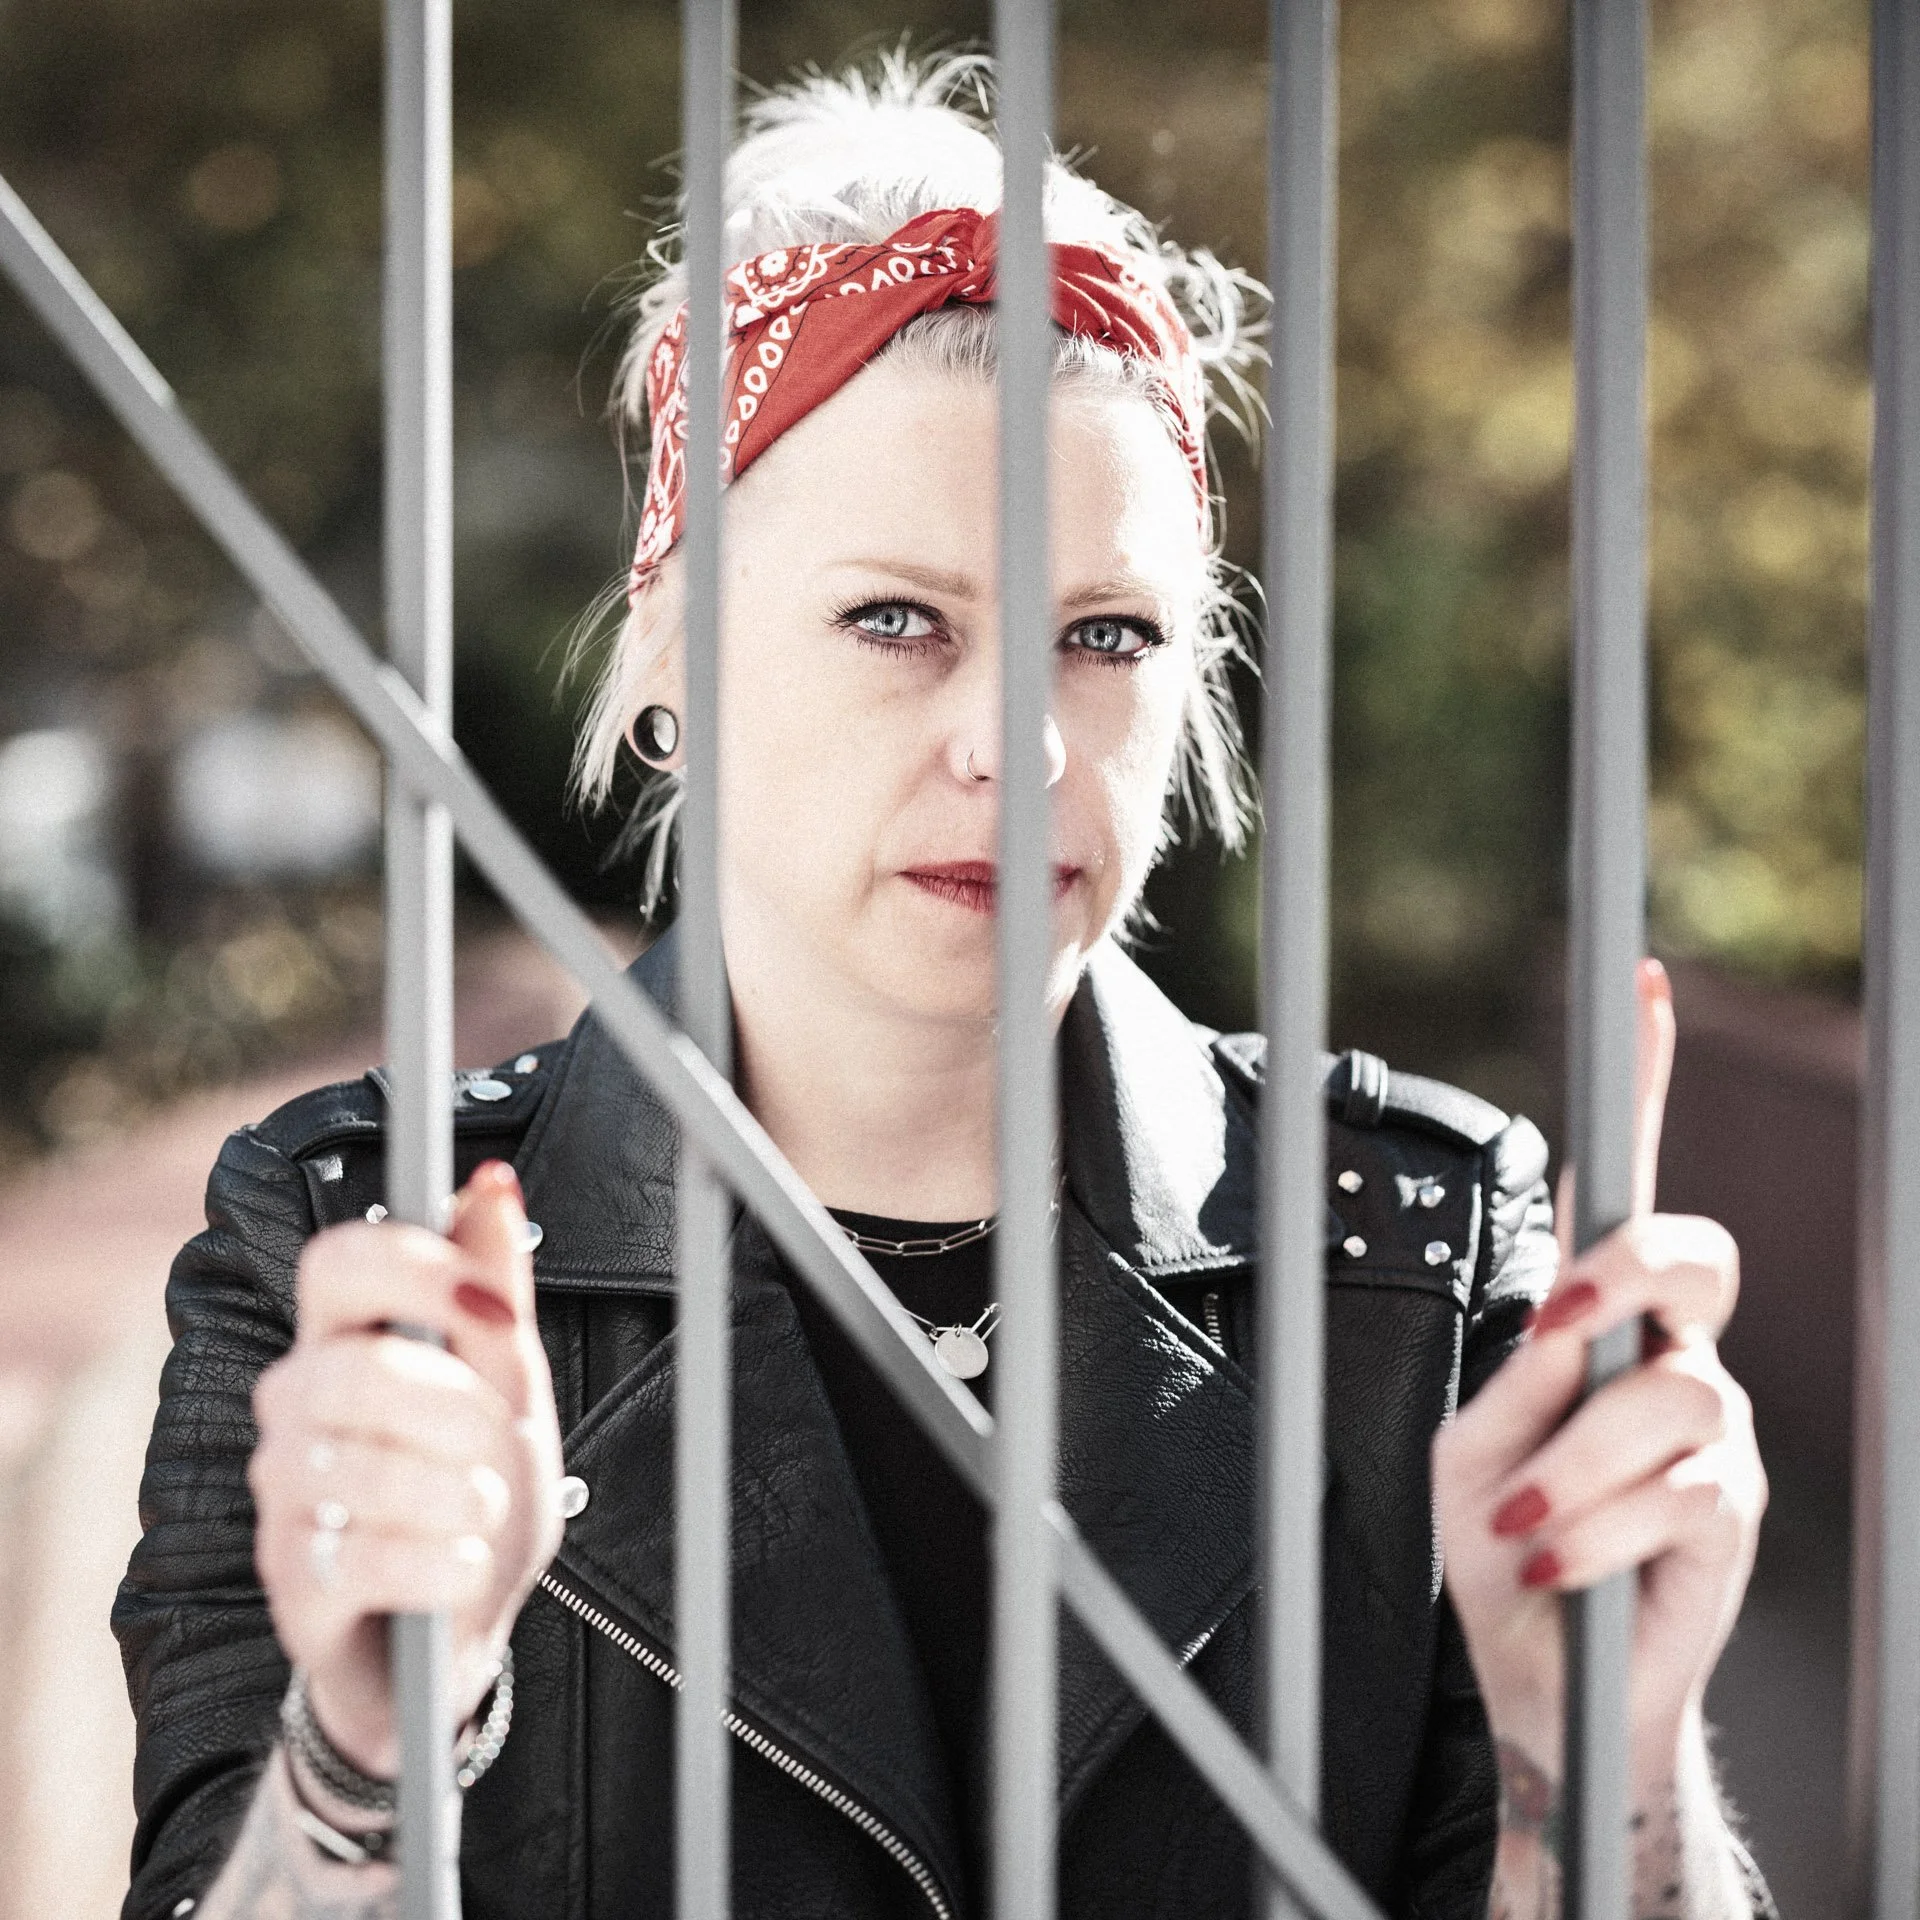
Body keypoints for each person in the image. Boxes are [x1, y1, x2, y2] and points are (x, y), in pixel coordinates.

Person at [114, 53, 1770, 1920]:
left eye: (1105, 638)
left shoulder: (1410, 1253)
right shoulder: (350, 1244)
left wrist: (1606, 1769)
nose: (1024, 746)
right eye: (897, 618)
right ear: (672, 651)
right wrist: (361, 1761)